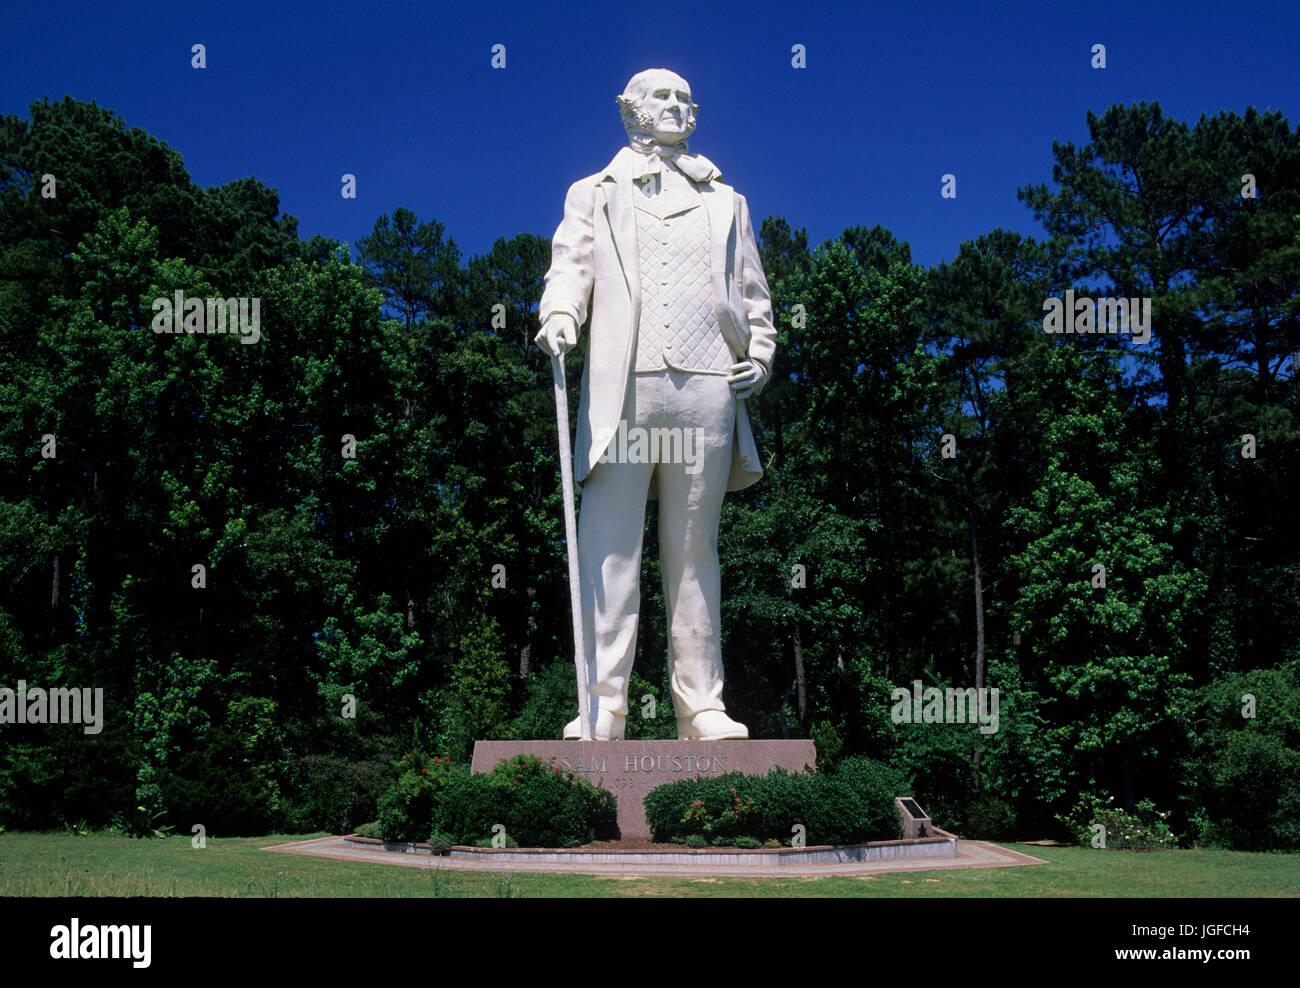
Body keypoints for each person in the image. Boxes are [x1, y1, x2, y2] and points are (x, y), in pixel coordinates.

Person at [536, 68, 776, 741]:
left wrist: (760, 354)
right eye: (658, 97)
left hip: (707, 384)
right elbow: (571, 262)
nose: (673, 106)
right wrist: (560, 313)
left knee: (694, 550)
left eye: (683, 98)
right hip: (626, 385)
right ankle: (602, 705)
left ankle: (701, 706)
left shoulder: (728, 202)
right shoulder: (595, 192)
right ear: (628, 111)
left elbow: (754, 295)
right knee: (609, 548)